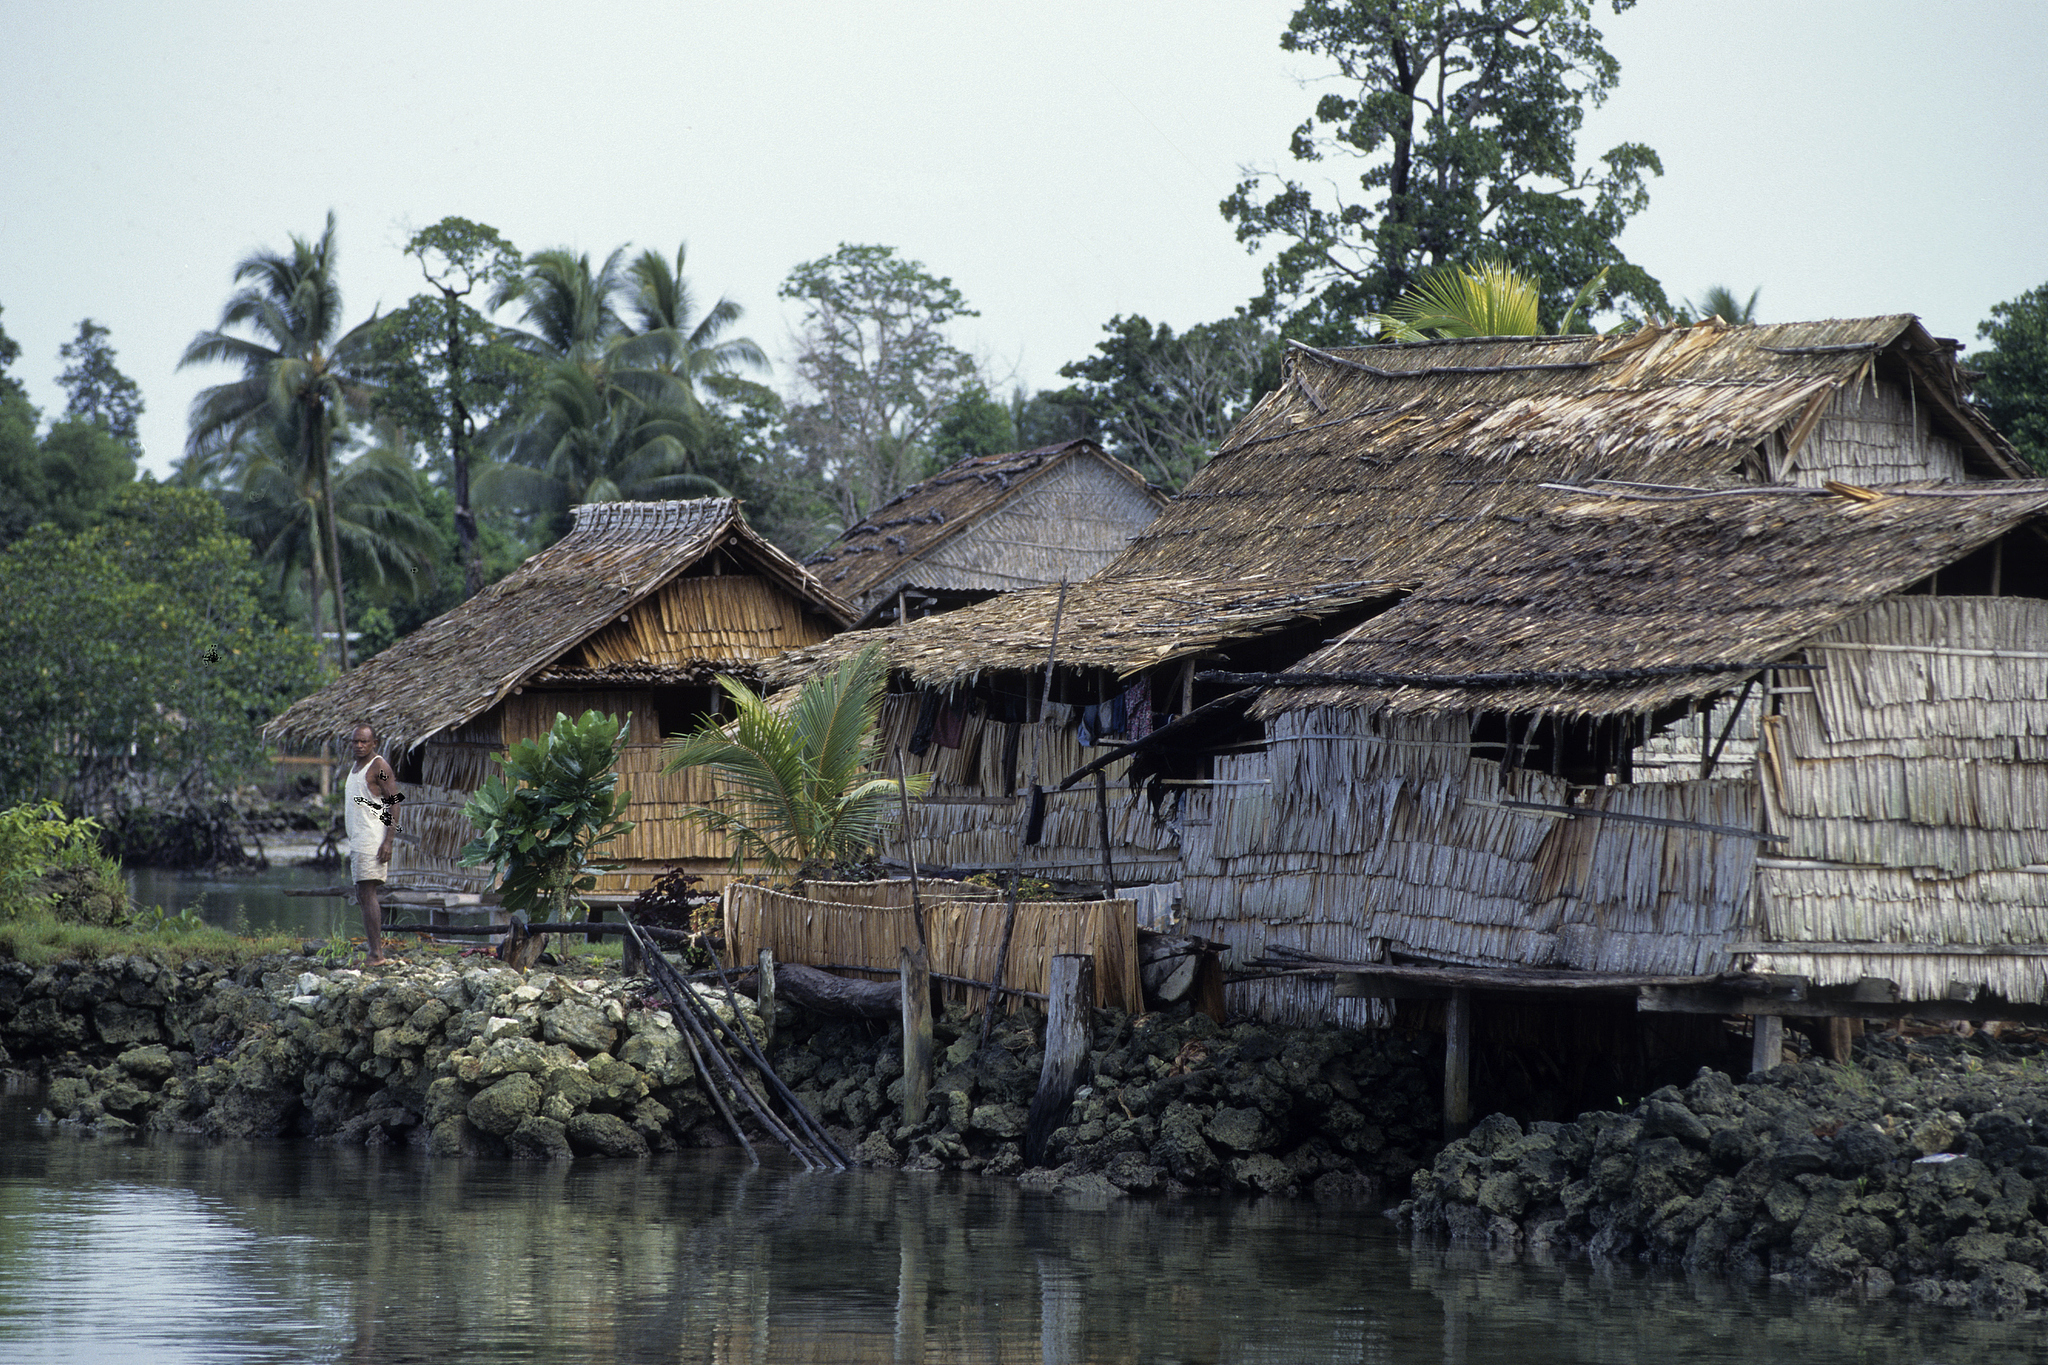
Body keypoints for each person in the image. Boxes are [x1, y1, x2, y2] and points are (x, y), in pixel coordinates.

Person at [344, 724, 402, 964]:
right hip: (358, 840)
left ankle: (376, 954)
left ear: (374, 743)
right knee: (362, 892)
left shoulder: (379, 766)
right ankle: (373, 950)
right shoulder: (356, 767)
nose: (359, 745)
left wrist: (388, 841)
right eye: (355, 741)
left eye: (364, 742)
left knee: (368, 892)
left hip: (372, 840)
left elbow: (395, 802)